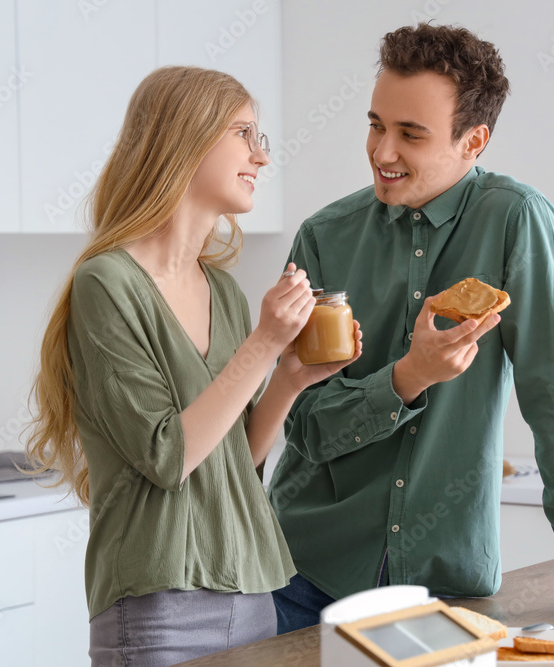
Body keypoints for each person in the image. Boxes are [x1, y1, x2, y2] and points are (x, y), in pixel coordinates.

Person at [267, 24, 554, 633]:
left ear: (474, 141)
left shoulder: (515, 222)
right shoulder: (324, 238)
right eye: (376, 124)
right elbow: (305, 426)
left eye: (410, 134)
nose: (383, 152)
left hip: (442, 590)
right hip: (302, 577)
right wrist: (407, 378)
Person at [24, 66, 361, 666]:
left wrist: (288, 377)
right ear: (184, 137)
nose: (261, 156)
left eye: (261, 139)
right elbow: (168, 456)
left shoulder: (223, 292)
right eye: (244, 134)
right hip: (160, 609)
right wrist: (262, 344)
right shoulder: (107, 284)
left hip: (254, 592)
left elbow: (237, 457)